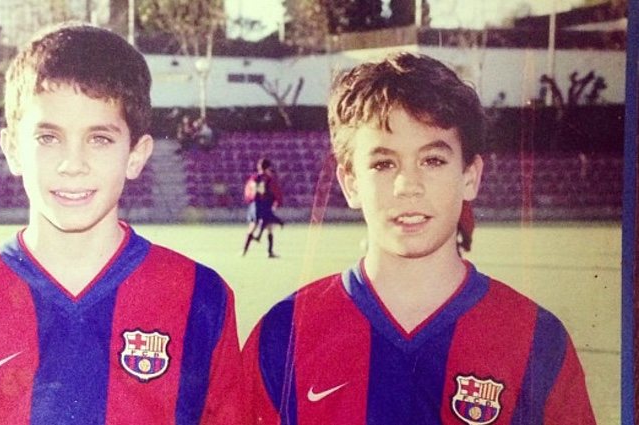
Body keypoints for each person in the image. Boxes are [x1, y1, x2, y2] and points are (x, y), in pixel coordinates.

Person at [0, 23, 244, 425]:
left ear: (136, 154)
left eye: (99, 138)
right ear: (12, 149)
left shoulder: (201, 297)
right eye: (47, 137)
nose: (72, 164)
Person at [242, 53, 595, 424]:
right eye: (383, 163)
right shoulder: (284, 335)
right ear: (350, 184)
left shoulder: (537, 339)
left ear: (470, 176)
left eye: (432, 160)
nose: (407, 185)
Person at [242, 158, 284, 258]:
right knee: (269, 228)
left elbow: (248, 192)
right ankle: (269, 252)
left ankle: (244, 251)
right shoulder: (269, 179)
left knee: (252, 227)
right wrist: (277, 203)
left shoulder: (253, 178)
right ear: (268, 167)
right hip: (266, 205)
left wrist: (250, 201)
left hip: (255, 206)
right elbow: (276, 192)